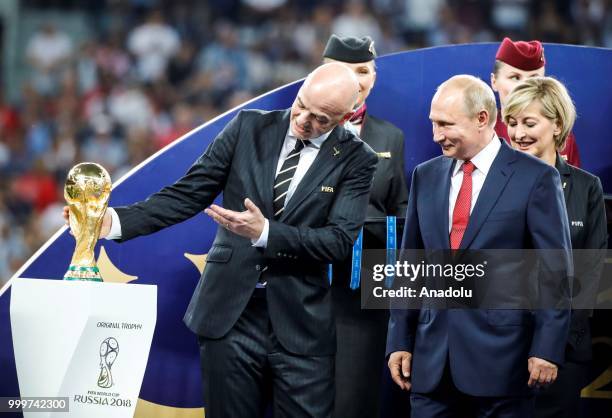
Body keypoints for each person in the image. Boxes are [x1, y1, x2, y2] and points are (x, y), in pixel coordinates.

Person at [64, 63, 378, 418]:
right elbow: (187, 194)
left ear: (347, 116)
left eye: (321, 118)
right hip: (230, 317)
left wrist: (265, 233)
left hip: (301, 325)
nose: (303, 120)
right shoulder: (248, 126)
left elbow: (338, 241)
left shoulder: (358, 159)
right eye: (301, 104)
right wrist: (111, 221)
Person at [386, 75, 572, 418]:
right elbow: (410, 264)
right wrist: (399, 339)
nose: (436, 135)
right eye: (433, 123)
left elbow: (555, 270)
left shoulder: (536, 178)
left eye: (446, 124)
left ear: (482, 119)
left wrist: (547, 347)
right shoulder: (425, 176)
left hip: (504, 364)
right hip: (431, 365)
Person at [503, 76, 607, 418]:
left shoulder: (587, 187)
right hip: (499, 346)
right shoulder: (492, 185)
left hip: (562, 351)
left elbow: (589, 276)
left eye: (529, 123)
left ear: (558, 123)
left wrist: (550, 346)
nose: (519, 134)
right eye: (513, 123)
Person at [321, 34, 409, 418]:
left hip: (364, 292)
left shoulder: (390, 136)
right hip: (310, 285)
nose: (357, 80)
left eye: (364, 71)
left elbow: (400, 210)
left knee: (356, 400)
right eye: (345, 70)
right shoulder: (302, 129)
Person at [490, 37, 581, 167]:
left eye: (534, 79)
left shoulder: (559, 133)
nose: (525, 85)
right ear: (494, 81)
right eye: (515, 77)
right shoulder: (483, 133)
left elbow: (575, 183)